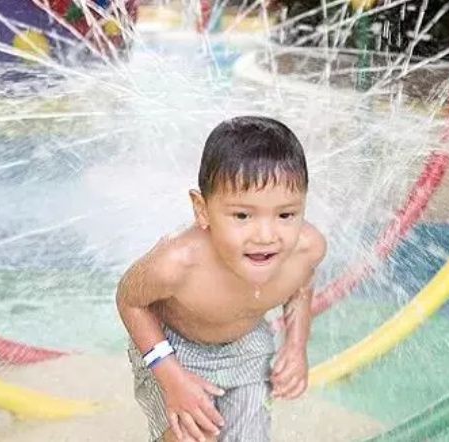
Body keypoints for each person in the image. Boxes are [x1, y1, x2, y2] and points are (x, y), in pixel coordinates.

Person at [116, 115, 326, 442]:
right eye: (242, 215)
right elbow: (129, 300)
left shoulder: (306, 249)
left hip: (246, 344)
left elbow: (302, 283)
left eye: (286, 214)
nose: (266, 236)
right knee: (190, 434)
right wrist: (170, 375)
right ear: (202, 210)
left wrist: (296, 345)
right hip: (174, 346)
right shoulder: (178, 263)